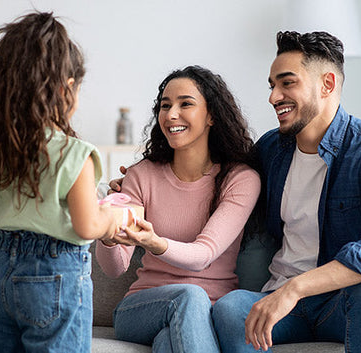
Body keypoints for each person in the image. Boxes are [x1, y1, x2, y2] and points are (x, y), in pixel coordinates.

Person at [211, 31, 361, 353]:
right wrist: (138, 180)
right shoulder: (272, 149)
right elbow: (213, 178)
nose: (273, 97)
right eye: (272, 86)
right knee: (230, 309)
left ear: (327, 84)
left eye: (287, 83)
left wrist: (295, 289)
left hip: (343, 303)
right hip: (287, 306)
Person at [0, 12, 119, 353]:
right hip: (55, 274)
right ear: (67, 88)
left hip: (2, 274)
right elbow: (88, 224)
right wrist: (116, 218)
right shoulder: (74, 154)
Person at [96, 65, 261, 352]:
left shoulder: (241, 179)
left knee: (168, 342)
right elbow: (115, 268)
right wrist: (108, 234)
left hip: (211, 314)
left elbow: (204, 255)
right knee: (188, 297)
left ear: (212, 115)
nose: (171, 114)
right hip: (142, 308)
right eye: (165, 106)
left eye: (185, 104)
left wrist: (154, 242)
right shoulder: (141, 174)